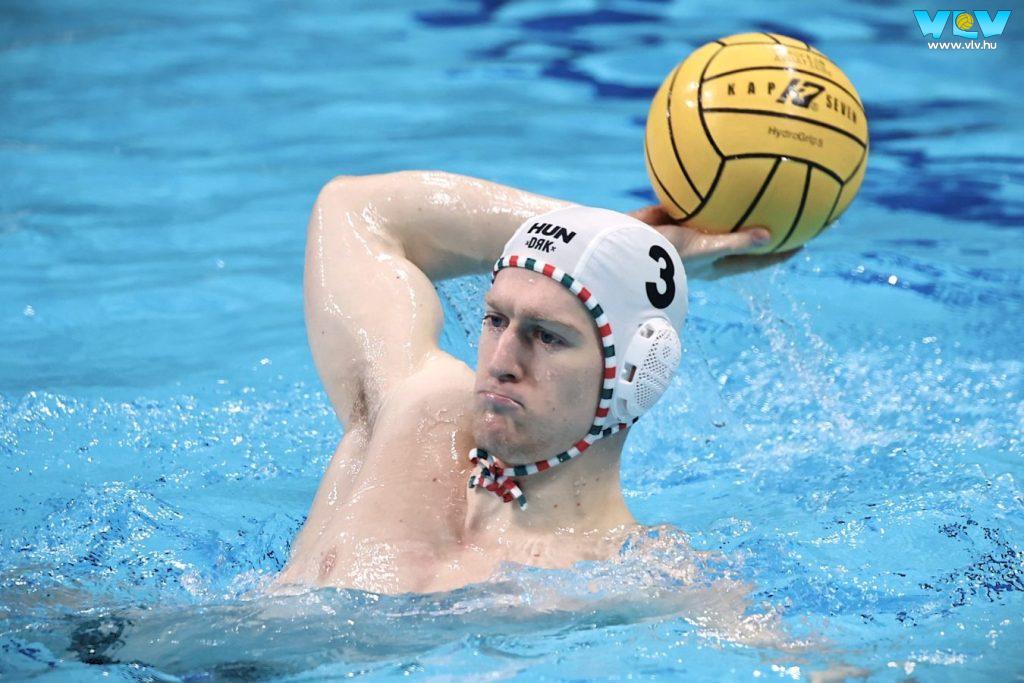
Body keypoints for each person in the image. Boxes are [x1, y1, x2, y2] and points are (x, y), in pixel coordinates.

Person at [272, 170, 776, 595]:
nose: (501, 361)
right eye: (496, 320)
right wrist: (613, 237)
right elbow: (353, 208)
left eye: (546, 336)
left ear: (638, 372)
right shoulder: (417, 417)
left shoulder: (638, 580)